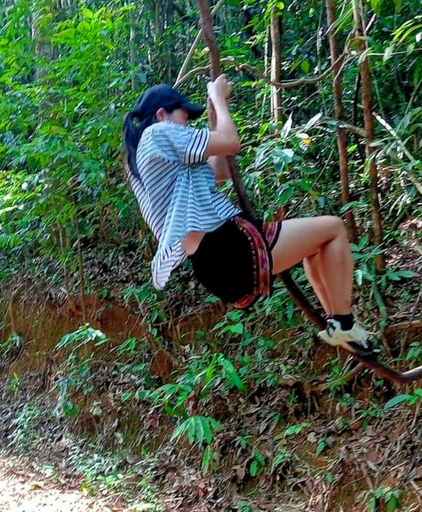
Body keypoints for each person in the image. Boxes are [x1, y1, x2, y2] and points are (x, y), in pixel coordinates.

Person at [122, 77, 380, 356]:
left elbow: (220, 171)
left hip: (212, 265)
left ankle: (338, 325)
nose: (186, 125)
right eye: (183, 117)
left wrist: (215, 116)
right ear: (162, 115)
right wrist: (218, 98)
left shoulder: (146, 159)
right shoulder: (157, 134)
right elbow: (232, 142)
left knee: (317, 245)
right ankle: (343, 322)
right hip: (228, 247)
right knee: (334, 228)